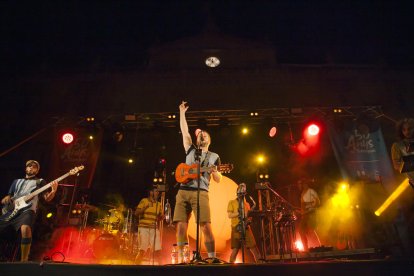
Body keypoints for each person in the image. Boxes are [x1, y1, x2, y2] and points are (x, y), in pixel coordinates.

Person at [173, 101, 222, 263]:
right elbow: (184, 130)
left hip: (201, 192)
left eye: (206, 134)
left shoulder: (214, 157)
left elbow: (218, 179)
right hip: (183, 190)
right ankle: (181, 258)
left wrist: (215, 172)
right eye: (201, 134)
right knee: (181, 225)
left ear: (210, 140)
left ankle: (212, 257)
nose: (203, 135)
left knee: (205, 226)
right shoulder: (191, 149)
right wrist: (181, 113)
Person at [0, 160, 58, 261]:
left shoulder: (40, 181)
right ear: (26, 168)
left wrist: (53, 191)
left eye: (34, 166)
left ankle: (24, 260)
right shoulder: (16, 181)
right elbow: (7, 198)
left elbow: (47, 198)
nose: (31, 167)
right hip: (12, 210)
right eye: (29, 166)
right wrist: (5, 198)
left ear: (37, 170)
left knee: (25, 229)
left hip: (27, 210)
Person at [227, 183, 261, 263]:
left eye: (244, 190)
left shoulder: (247, 204)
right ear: (237, 191)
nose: (243, 191)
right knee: (235, 249)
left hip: (246, 227)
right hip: (236, 227)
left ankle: (261, 266)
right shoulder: (232, 202)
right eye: (241, 189)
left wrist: (249, 219)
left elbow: (248, 215)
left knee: (254, 247)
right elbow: (229, 215)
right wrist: (239, 212)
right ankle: (230, 269)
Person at [134, 186, 163, 264]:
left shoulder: (159, 204)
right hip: (144, 228)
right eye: (156, 191)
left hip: (154, 228)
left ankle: (162, 270)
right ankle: (135, 268)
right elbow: (136, 213)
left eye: (158, 192)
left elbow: (159, 218)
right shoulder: (144, 201)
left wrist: (162, 217)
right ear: (151, 192)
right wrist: (145, 207)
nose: (158, 193)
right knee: (142, 249)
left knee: (158, 250)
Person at [297, 178, 321, 252]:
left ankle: (320, 246)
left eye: (299, 184)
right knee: (302, 231)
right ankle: (306, 248)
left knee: (310, 230)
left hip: (311, 215)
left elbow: (318, 202)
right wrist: (299, 211)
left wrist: (309, 208)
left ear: (304, 184)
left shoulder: (311, 191)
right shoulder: (302, 194)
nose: (298, 186)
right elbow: (303, 207)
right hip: (305, 215)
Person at [391, 118, 414, 188]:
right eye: (404, 130)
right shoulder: (397, 146)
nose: (407, 132)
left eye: (409, 129)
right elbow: (396, 165)